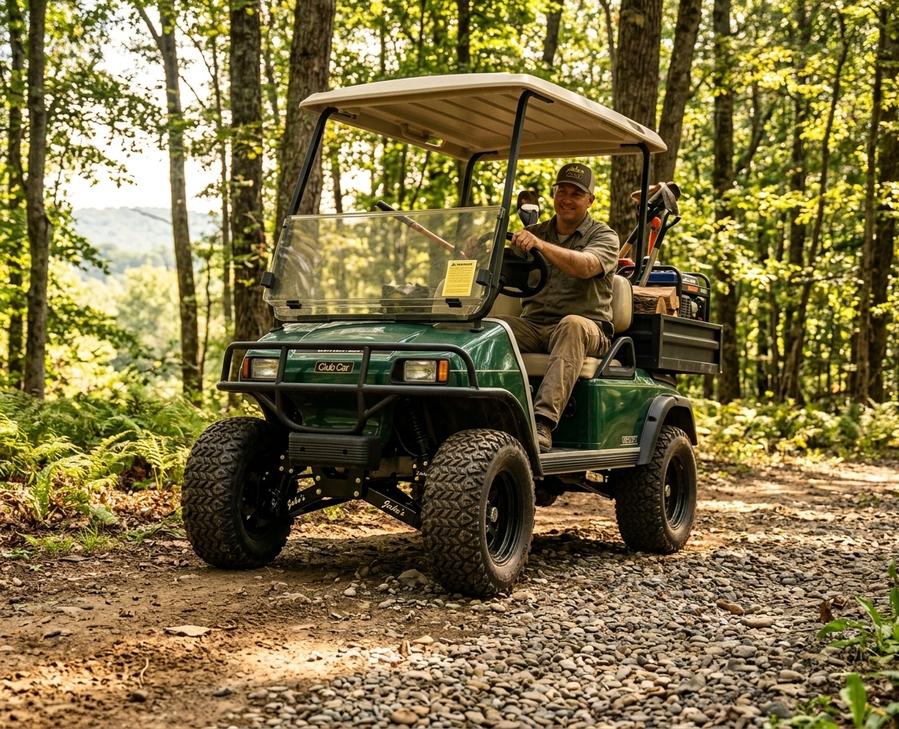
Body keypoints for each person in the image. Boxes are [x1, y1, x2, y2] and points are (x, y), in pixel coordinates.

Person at [500, 163, 620, 453]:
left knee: (572, 324)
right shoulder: (533, 232)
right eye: (561, 191)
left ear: (590, 200)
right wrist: (479, 247)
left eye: (576, 194)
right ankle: (484, 413)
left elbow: (586, 266)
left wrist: (540, 246)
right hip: (534, 325)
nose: (566, 199)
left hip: (589, 331)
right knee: (492, 329)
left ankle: (541, 423)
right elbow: (501, 265)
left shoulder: (604, 236)